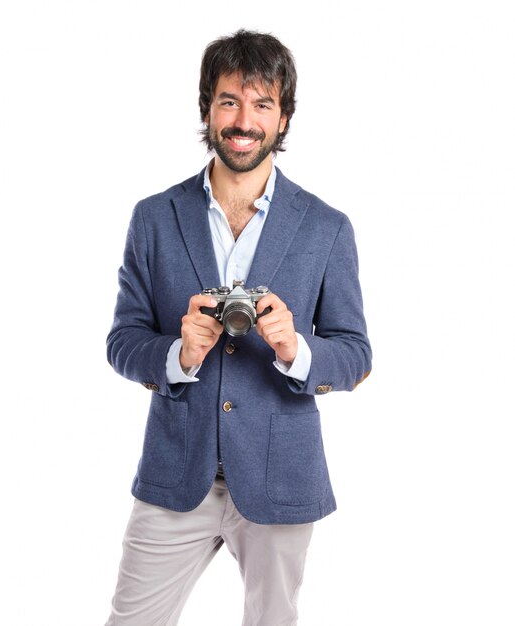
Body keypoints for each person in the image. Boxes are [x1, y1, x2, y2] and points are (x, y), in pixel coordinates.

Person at [105, 29, 371, 626]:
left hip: (281, 478)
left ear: (283, 119)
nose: (243, 120)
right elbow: (122, 342)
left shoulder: (326, 227)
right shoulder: (154, 217)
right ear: (207, 110)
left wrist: (295, 348)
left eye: (262, 104)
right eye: (229, 101)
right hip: (176, 470)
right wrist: (178, 352)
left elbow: (356, 355)